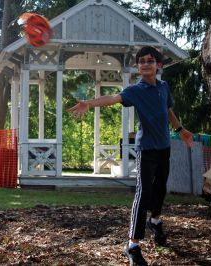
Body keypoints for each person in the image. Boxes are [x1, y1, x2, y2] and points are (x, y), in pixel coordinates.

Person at [67, 46, 193, 266]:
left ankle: (155, 221)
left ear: (158, 65)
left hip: (164, 147)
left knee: (161, 189)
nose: (145, 63)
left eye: (150, 60)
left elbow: (169, 110)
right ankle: (133, 245)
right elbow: (113, 98)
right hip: (145, 149)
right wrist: (89, 103)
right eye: (141, 61)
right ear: (138, 66)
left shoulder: (164, 87)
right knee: (143, 194)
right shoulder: (136, 90)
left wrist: (181, 130)